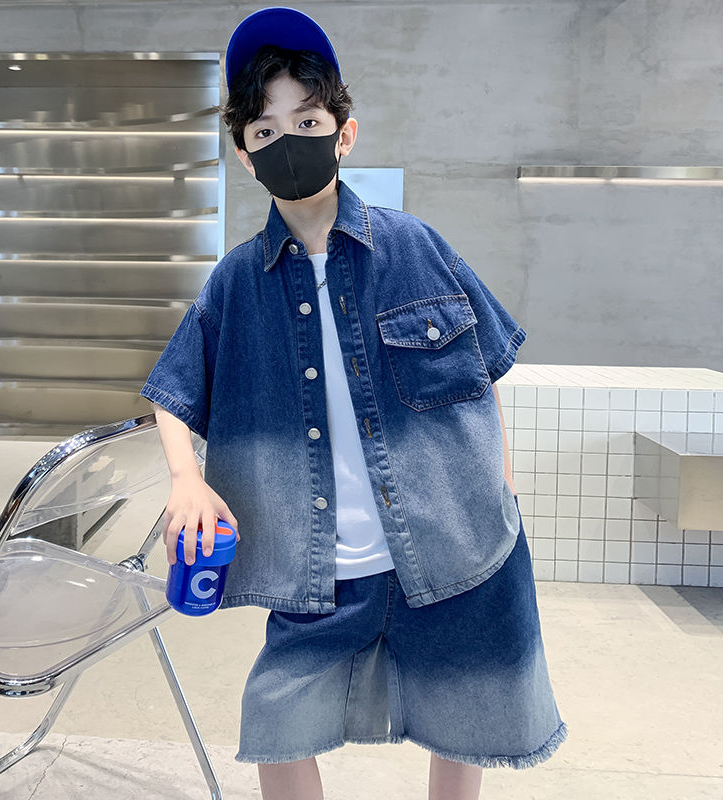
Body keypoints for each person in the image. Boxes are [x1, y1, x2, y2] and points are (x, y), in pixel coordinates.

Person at [140, 7, 568, 799]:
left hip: (452, 549)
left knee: (467, 719)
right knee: (276, 723)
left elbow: (482, 373)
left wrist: (499, 492)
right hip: (320, 572)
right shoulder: (238, 281)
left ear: (345, 134)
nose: (288, 141)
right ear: (245, 156)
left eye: (307, 121)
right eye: (265, 131)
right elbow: (174, 388)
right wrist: (184, 479)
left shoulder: (416, 247)